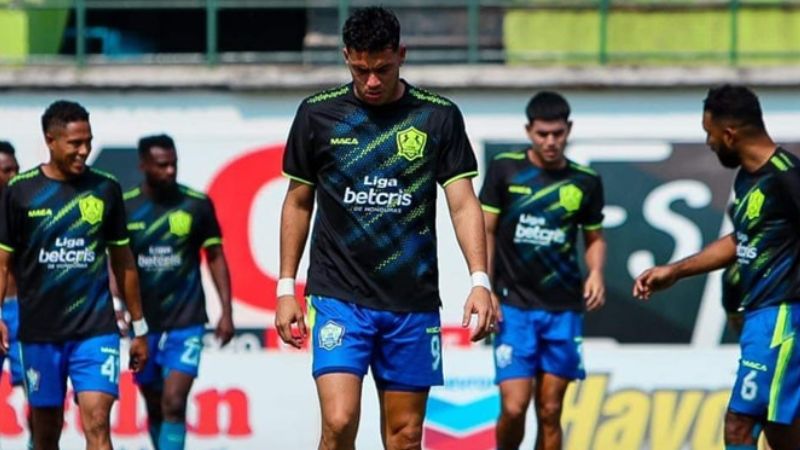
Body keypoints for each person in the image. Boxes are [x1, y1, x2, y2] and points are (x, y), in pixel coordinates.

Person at [274, 6, 496, 450]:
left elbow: (463, 203)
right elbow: (298, 202)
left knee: (406, 436)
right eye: (360, 69)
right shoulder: (318, 115)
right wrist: (285, 288)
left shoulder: (437, 117)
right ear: (345, 58)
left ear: (402, 55)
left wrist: (480, 281)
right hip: (340, 297)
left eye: (382, 68)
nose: (371, 81)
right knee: (338, 423)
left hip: (410, 301)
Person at [633, 85, 800, 450]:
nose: (708, 142)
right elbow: (740, 239)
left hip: (783, 317)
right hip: (763, 317)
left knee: (739, 424)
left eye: (709, 133)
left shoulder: (789, 177)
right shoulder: (748, 177)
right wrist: (674, 271)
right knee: (781, 431)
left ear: (729, 134)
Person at [0, 100, 149, 450]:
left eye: (88, 141)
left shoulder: (106, 188)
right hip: (40, 331)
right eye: (75, 143)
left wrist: (139, 326)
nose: (84, 151)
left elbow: (123, 260)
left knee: (97, 422)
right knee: (46, 430)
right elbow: (3, 261)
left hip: (94, 330)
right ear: (50, 140)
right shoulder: (20, 191)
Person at [479, 91, 606, 450]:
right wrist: (484, 285)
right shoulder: (505, 169)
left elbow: (595, 238)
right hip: (513, 307)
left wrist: (595, 273)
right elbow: (485, 230)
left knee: (550, 410)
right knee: (515, 406)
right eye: (542, 134)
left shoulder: (586, 181)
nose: (550, 142)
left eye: (557, 133)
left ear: (568, 130)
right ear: (528, 130)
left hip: (563, 310)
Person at [118, 133, 234, 450]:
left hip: (187, 319)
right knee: (154, 401)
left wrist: (227, 311)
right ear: (143, 165)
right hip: (143, 323)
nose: (170, 171)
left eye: (173, 164)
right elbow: (114, 263)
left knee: (174, 399)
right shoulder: (126, 208)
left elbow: (215, 257)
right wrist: (118, 306)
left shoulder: (195, 204)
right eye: (161, 165)